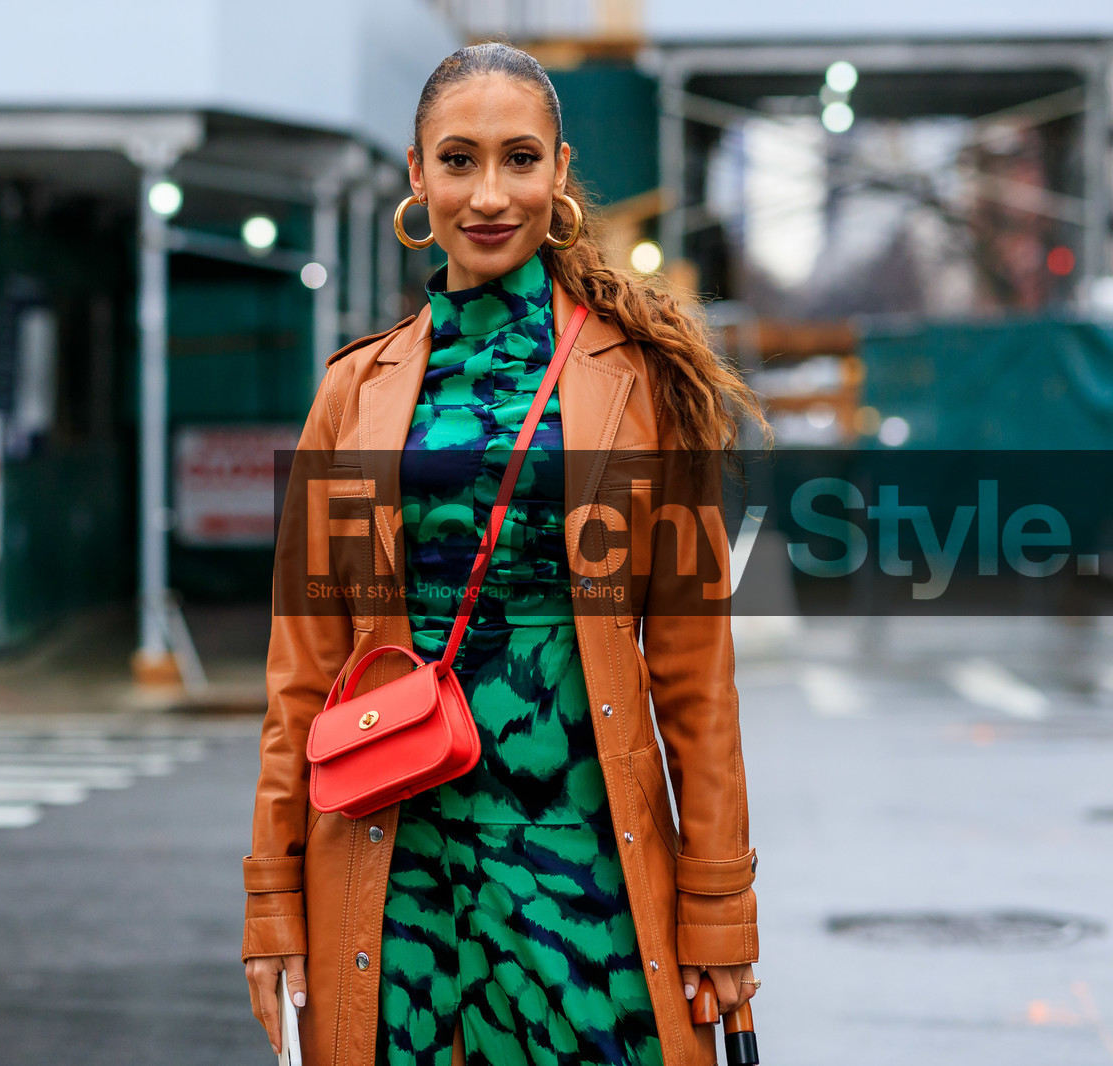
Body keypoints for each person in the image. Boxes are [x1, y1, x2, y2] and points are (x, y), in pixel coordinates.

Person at [243, 43, 768, 1066]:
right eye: (458, 159)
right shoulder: (355, 394)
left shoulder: (634, 384)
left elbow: (696, 681)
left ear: (560, 172)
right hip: (395, 881)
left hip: (585, 879)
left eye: (519, 159)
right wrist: (272, 898)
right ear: (415, 174)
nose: (489, 194)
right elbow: (301, 673)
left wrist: (717, 902)